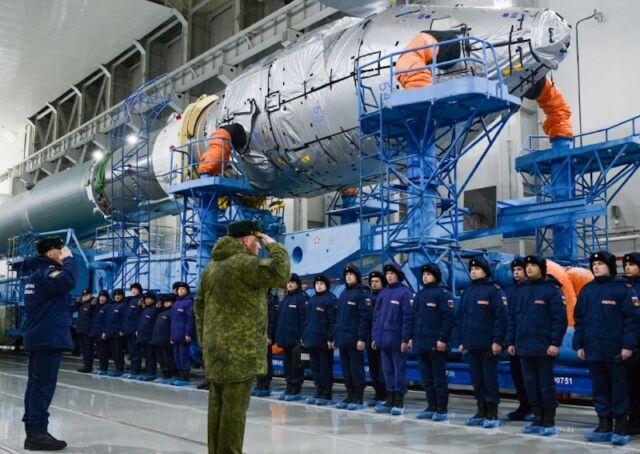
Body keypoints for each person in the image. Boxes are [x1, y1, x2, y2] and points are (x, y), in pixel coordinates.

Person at [194, 220, 290, 454]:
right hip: (239, 353)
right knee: (234, 414)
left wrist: (206, 343)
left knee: (217, 410)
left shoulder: (211, 268)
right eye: (257, 242)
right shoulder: (244, 264)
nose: (259, 246)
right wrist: (274, 244)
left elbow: (199, 308)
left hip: (215, 352)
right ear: (247, 240)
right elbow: (281, 273)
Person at [573, 251, 640, 446]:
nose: (596, 267)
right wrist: (579, 344)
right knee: (600, 388)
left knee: (619, 388)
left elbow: (632, 320)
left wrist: (628, 345)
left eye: (600, 264)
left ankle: (620, 427)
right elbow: (580, 320)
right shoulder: (587, 290)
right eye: (594, 264)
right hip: (593, 349)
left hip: (616, 351)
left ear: (609, 266)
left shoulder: (623, 289)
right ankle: (603, 425)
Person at [22, 236, 77, 451]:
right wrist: (71, 261)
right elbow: (68, 281)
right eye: (60, 249)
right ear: (51, 252)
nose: (64, 251)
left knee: (35, 386)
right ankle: (37, 434)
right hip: (47, 338)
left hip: (40, 337)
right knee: (42, 387)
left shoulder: (36, 274)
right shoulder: (47, 273)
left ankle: (34, 431)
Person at [507, 255, 567, 436]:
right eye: (527, 266)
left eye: (533, 265)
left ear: (541, 268)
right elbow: (513, 318)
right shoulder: (521, 291)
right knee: (530, 385)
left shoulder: (552, 290)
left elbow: (559, 319)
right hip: (524, 347)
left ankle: (549, 422)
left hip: (544, 348)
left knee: (545, 385)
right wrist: (511, 341)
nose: (529, 268)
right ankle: (537, 419)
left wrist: (555, 343)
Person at [458, 256, 508, 429]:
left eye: (477, 269)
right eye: (471, 269)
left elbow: (501, 318)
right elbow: (462, 319)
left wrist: (497, 341)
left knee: (489, 379)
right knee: (477, 380)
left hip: (488, 345)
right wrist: (463, 341)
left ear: (485, 271)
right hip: (471, 344)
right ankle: (481, 411)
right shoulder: (468, 292)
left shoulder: (494, 291)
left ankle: (492, 413)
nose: (473, 271)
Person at [413, 263, 456, 421]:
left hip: (436, 344)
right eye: (424, 274)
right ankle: (431, 406)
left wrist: (442, 339)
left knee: (439, 379)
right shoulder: (419, 295)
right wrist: (412, 338)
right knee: (427, 379)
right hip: (421, 343)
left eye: (428, 274)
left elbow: (449, 318)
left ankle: (441, 409)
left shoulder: (443, 294)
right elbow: (414, 318)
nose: (425, 276)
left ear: (436, 276)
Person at [372, 262, 413, 416]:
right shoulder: (383, 293)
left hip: (396, 341)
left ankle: (398, 401)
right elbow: (376, 318)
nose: (389, 276)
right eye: (387, 274)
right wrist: (375, 337)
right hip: (383, 340)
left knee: (398, 370)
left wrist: (405, 339)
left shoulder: (404, 293)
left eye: (392, 274)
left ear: (398, 275)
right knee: (387, 370)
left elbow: (407, 318)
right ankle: (390, 399)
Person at [332, 263, 371, 410]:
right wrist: (336, 336)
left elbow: (364, 318)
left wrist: (361, 338)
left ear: (357, 276)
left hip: (355, 340)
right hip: (343, 339)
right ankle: (349, 395)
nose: (348, 276)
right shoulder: (343, 294)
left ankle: (358, 398)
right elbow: (338, 318)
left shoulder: (362, 294)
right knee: (346, 369)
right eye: (346, 275)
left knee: (356, 369)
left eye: (351, 274)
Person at [503, 257, 533, 421]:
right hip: (514, 341)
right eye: (514, 270)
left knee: (530, 377)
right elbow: (507, 317)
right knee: (518, 376)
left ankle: (536, 408)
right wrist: (509, 341)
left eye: (519, 269)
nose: (516, 272)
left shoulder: (532, 289)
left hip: (529, 341)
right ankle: (523, 406)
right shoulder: (509, 290)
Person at [302, 274, 337, 406]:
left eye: (321, 284)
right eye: (317, 284)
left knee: (325, 367)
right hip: (312, 339)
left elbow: (332, 321)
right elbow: (306, 321)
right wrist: (304, 337)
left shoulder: (330, 300)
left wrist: (330, 338)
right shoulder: (311, 301)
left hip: (323, 341)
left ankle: (326, 393)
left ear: (326, 285)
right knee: (315, 367)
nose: (319, 286)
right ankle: (319, 389)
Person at [274, 273, 308, 401]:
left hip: (296, 340)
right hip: (285, 339)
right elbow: (280, 320)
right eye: (288, 283)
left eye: (292, 283)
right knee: (287, 364)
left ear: (297, 284)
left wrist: (302, 337)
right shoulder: (286, 300)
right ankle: (289, 386)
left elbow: (304, 320)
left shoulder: (302, 299)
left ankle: (296, 388)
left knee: (296, 365)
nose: (289, 285)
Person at [623, 252, 640, 434]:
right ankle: (634, 418)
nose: (628, 268)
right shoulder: (624, 287)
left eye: (632, 265)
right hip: (630, 345)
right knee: (631, 384)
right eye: (626, 265)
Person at [252, 289, 280, 396]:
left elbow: (273, 320)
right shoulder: (256, 298)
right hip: (256, 334)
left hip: (265, 336)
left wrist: (269, 336)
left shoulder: (272, 300)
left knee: (266, 360)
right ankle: (259, 383)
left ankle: (265, 384)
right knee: (258, 360)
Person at [365, 270, 387, 406]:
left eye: (377, 281)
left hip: (381, 338)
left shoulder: (384, 297)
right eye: (372, 282)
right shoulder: (367, 298)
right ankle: (378, 393)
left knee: (382, 369)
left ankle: (385, 394)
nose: (374, 284)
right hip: (369, 337)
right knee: (373, 368)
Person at [171, 282, 196, 386]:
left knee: (183, 356)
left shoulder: (188, 302)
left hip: (183, 335)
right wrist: (171, 336)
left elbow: (190, 319)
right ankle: (180, 376)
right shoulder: (176, 303)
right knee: (177, 356)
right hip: (175, 334)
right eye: (179, 289)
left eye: (183, 289)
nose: (180, 290)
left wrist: (188, 333)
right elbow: (172, 321)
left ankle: (185, 378)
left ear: (187, 290)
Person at [151, 294, 176, 384]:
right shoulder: (161, 312)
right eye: (165, 302)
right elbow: (152, 319)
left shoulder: (172, 312)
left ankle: (169, 375)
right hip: (158, 339)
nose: (166, 304)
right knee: (160, 358)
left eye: (168, 302)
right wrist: (157, 308)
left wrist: (171, 337)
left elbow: (173, 326)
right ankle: (164, 374)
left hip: (166, 339)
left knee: (167, 358)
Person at [136, 292, 159, 381]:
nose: (148, 300)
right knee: (145, 355)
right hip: (142, 336)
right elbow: (140, 322)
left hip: (149, 337)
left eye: (150, 299)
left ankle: (151, 373)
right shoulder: (144, 309)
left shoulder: (155, 310)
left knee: (151, 356)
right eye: (146, 299)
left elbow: (155, 324)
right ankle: (147, 371)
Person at [122, 283, 143, 378]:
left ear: (139, 290)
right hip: (128, 329)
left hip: (135, 330)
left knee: (136, 350)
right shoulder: (130, 300)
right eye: (132, 289)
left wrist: (137, 329)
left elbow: (140, 317)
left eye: (135, 289)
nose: (133, 291)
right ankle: (132, 366)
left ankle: (136, 368)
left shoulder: (141, 300)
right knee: (131, 350)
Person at [104, 288, 126, 376]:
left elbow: (124, 319)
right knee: (113, 351)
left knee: (118, 351)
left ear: (122, 296)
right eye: (116, 295)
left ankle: (120, 368)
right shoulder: (112, 306)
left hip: (118, 333)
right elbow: (107, 320)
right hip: (111, 332)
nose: (117, 296)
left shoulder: (123, 305)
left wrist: (122, 330)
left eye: (119, 295)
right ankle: (117, 367)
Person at [75, 289, 96, 373]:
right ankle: (85, 365)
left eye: (87, 295)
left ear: (90, 295)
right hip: (81, 330)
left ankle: (88, 366)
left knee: (88, 349)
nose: (85, 296)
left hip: (88, 331)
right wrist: (77, 303)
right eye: (84, 295)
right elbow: (77, 310)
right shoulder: (83, 304)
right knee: (83, 350)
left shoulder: (93, 303)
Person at [93, 290, 111, 375]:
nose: (102, 298)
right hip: (96, 331)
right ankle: (101, 366)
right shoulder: (98, 306)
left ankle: (104, 368)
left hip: (102, 332)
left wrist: (104, 332)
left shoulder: (107, 307)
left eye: (104, 297)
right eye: (101, 297)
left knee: (103, 351)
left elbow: (107, 321)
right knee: (99, 351)